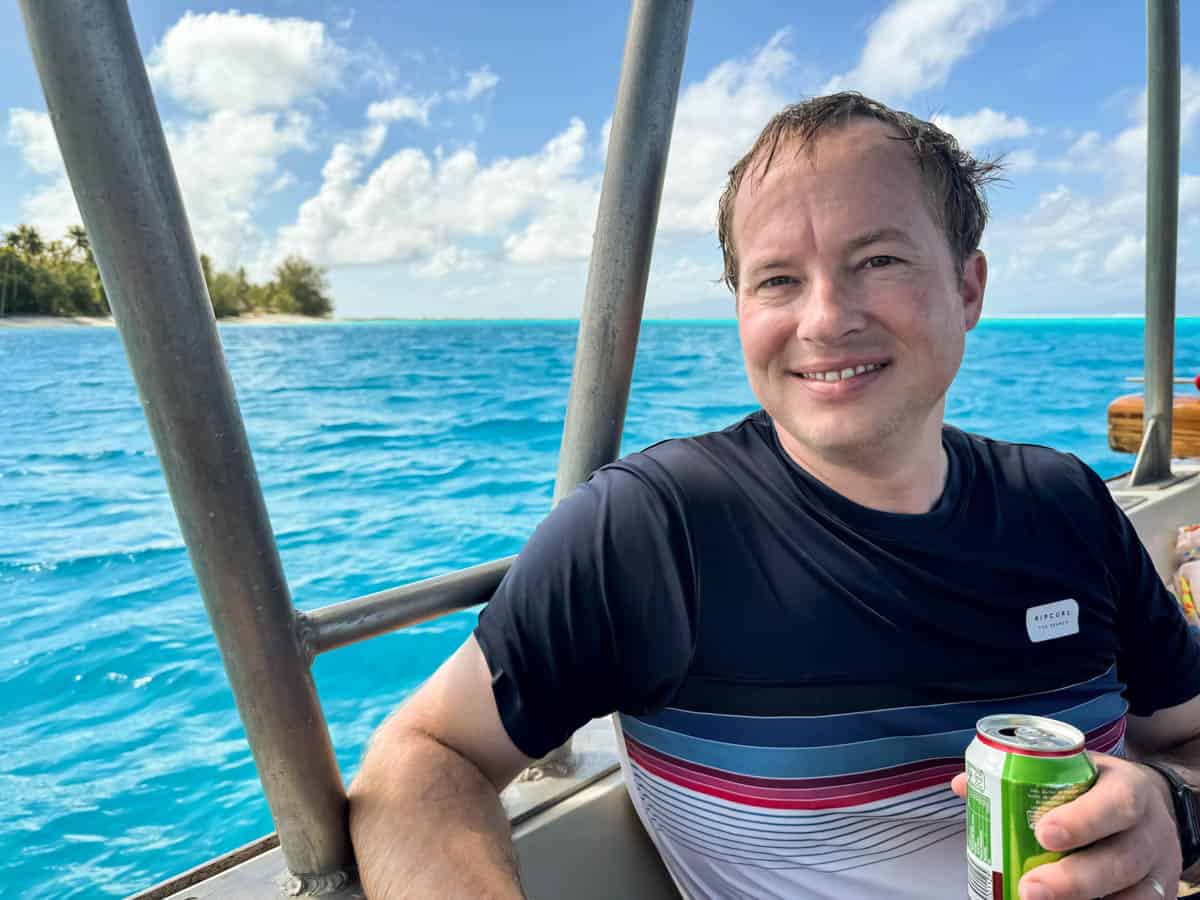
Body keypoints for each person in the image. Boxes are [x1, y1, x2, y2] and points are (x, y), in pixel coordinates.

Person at [347, 93, 1200, 900]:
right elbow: (425, 756)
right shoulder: (654, 529)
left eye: (878, 260)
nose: (825, 318)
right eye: (778, 280)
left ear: (968, 287)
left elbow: (1185, 737)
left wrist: (1175, 811)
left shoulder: (1064, 506)